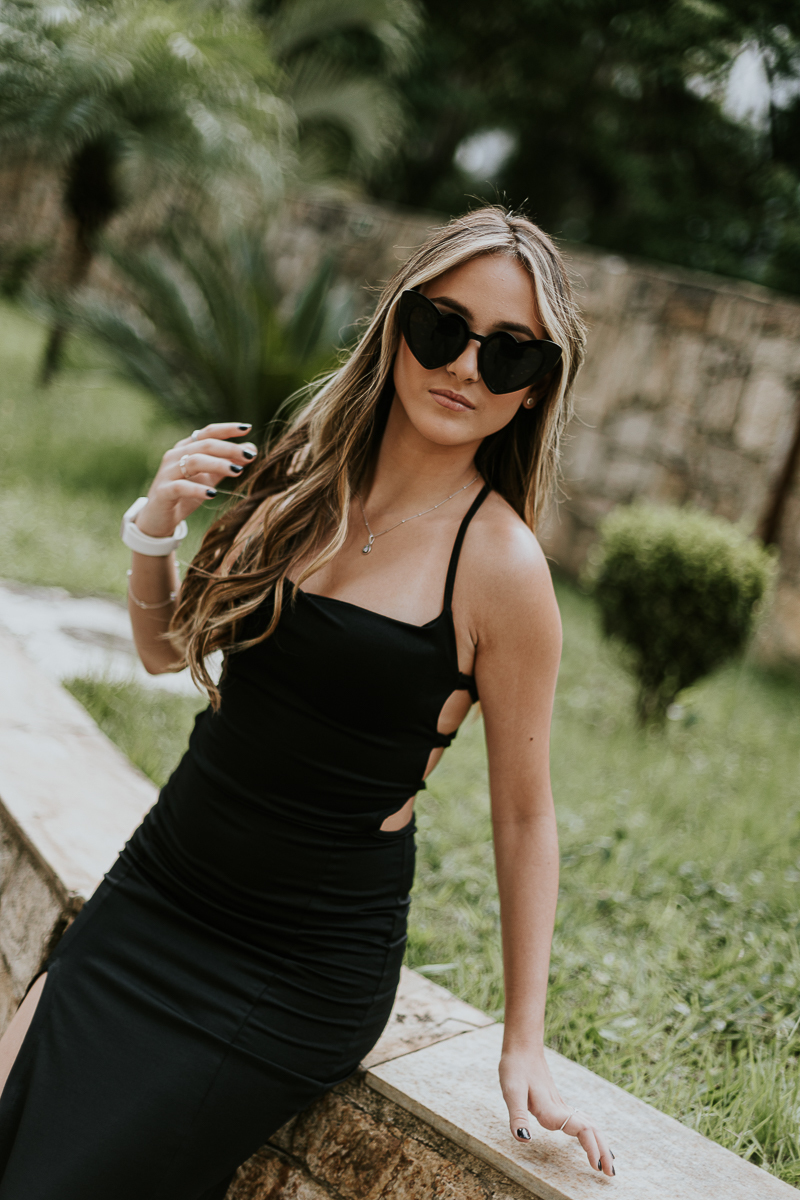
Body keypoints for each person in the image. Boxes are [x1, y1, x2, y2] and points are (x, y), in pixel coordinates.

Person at [0, 206, 613, 1197]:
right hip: (156, 891)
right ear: (399, 322)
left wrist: (523, 1042)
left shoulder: (501, 567)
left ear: (536, 384)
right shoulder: (301, 477)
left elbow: (524, 815)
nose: (465, 367)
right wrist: (154, 527)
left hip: (290, 971)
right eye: (444, 328)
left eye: (509, 352)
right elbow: (164, 649)